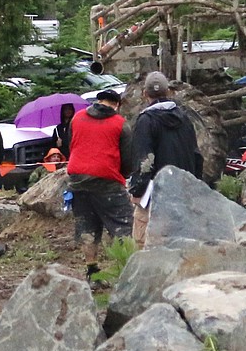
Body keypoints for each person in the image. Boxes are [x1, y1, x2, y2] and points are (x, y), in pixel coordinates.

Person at [127, 71, 201, 248]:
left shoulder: (146, 120)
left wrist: (136, 190)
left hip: (155, 195)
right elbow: (197, 155)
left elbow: (145, 161)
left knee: (145, 243)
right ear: (169, 92)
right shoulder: (184, 118)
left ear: (145, 94)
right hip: (183, 190)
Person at [67, 90, 133, 280]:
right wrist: (122, 176)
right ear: (117, 104)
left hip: (78, 179)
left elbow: (72, 145)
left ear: (98, 101)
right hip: (107, 180)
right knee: (122, 224)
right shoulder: (120, 124)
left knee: (86, 225)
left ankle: (92, 271)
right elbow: (127, 159)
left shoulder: (77, 118)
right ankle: (127, 272)